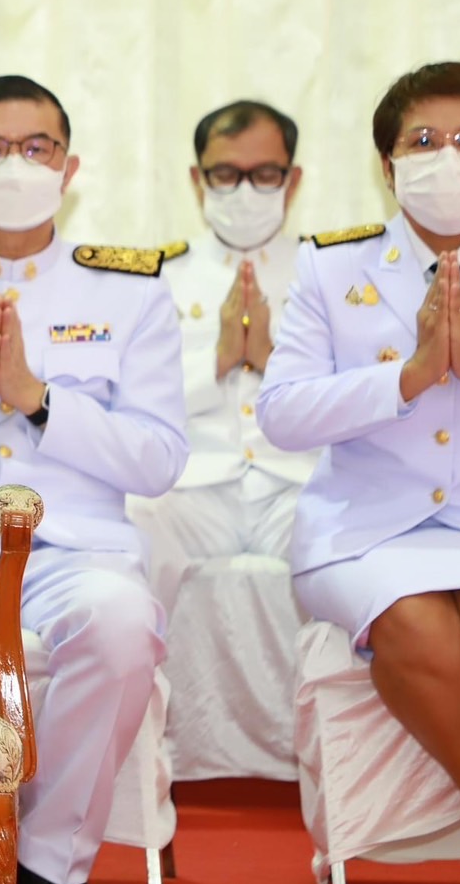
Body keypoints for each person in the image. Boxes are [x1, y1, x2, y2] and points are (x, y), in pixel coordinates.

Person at [258, 61, 460, 884]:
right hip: (366, 526)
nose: (447, 156)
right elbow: (283, 414)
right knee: (411, 616)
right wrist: (406, 378)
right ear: (388, 165)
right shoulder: (329, 267)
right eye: (423, 140)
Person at [0, 75, 188, 884]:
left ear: (68, 169)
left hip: (77, 548)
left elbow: (158, 459)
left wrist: (40, 401)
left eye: (36, 148)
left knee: (123, 629)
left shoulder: (130, 290)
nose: (14, 164)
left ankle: (49, 868)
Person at [125, 100, 319, 781]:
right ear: (196, 179)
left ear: (293, 181)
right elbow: (130, 407)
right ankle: (136, 758)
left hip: (298, 483)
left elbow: (357, 400)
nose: (244, 191)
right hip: (192, 487)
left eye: (265, 175)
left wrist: (269, 358)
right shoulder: (153, 277)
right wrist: (217, 363)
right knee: (126, 536)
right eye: (226, 174)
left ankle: (341, 760)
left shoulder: (329, 272)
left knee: (360, 545)